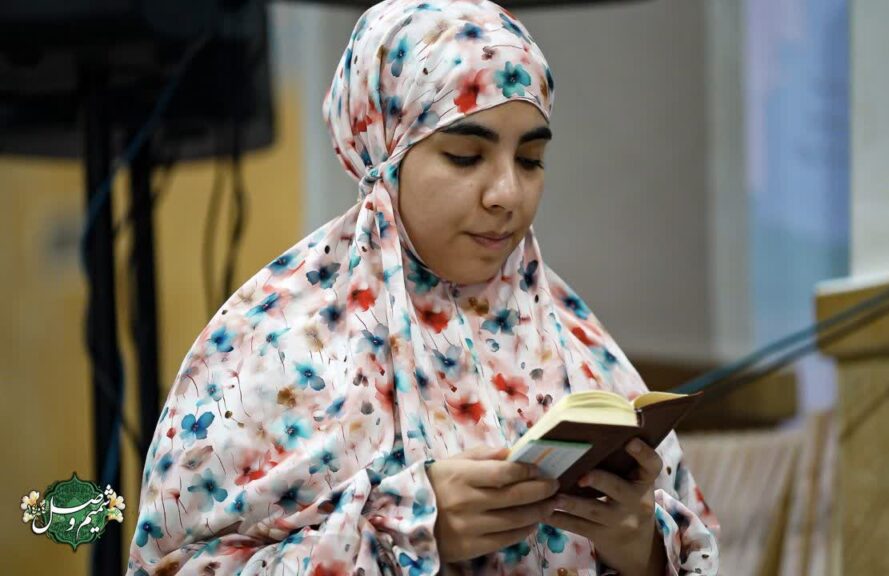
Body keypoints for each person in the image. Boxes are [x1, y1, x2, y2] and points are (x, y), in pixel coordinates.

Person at [125, 1, 719, 574]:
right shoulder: (270, 351)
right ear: (384, 153)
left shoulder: (577, 347)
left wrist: (641, 548)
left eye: (531, 160)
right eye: (464, 156)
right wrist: (404, 534)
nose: (507, 194)